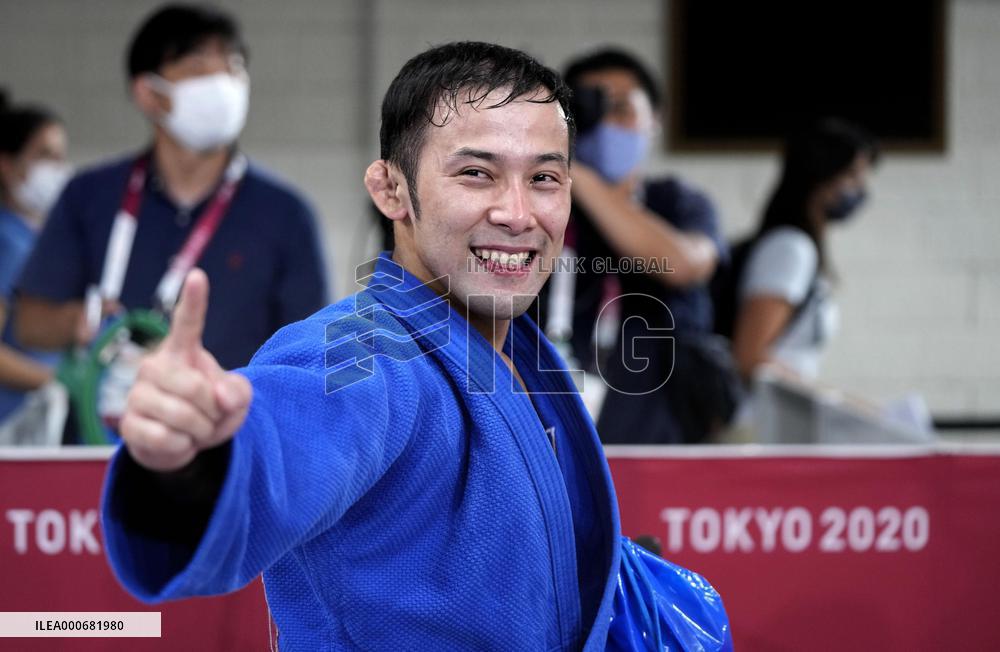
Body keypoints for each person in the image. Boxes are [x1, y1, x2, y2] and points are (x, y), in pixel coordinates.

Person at [101, 42, 620, 650]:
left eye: (544, 179)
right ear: (391, 189)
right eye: (476, 173)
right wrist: (190, 465)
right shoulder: (361, 353)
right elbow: (279, 441)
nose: (517, 212)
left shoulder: (517, 352)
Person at [14, 3, 327, 375]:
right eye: (197, 69)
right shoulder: (87, 197)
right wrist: (81, 321)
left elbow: (314, 351)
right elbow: (28, 323)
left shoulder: (286, 214)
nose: (223, 85)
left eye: (233, 67)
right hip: (103, 428)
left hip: (232, 428)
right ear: (149, 93)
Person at [552, 48, 730, 443]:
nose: (606, 124)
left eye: (621, 108)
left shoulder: (679, 202)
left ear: (656, 118)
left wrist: (573, 170)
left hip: (665, 432)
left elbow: (681, 264)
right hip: (563, 427)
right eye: (592, 111)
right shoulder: (547, 206)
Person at [729, 118, 878, 382]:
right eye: (853, 175)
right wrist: (829, 400)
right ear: (822, 177)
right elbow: (748, 357)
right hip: (761, 419)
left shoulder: (798, 248)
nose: (861, 189)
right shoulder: (791, 250)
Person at [0, 92, 72, 426]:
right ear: (6, 163)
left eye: (60, 156)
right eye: (44, 155)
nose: (56, 168)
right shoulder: (8, 242)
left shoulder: (36, 240)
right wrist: (60, 381)